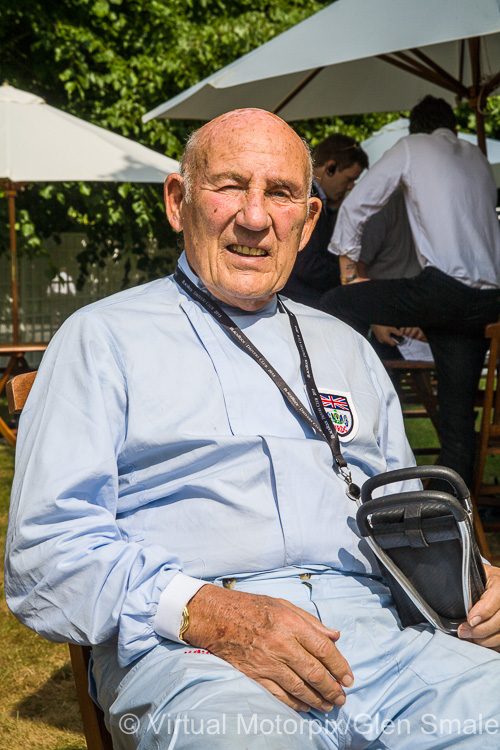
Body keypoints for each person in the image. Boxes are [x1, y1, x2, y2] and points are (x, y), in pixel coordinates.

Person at [5, 108, 500, 750]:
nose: (255, 217)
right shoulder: (102, 339)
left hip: (383, 644)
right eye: (230, 186)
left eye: (282, 193)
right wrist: (206, 612)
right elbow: (45, 554)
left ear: (309, 221)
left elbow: (404, 520)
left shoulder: (346, 347)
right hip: (196, 657)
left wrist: (474, 577)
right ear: (179, 201)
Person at [321, 95, 500, 487]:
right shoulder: (478, 158)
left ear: (415, 128)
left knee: (337, 302)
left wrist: (351, 275)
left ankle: (344, 409)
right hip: (487, 301)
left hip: (443, 291)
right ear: (452, 127)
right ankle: (451, 514)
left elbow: (355, 207)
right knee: (456, 425)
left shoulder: (411, 146)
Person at [281, 134, 367, 308]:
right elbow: (308, 264)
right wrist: (347, 273)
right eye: (349, 179)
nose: (350, 187)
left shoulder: (315, 196)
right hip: (303, 301)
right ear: (331, 168)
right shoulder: (308, 197)